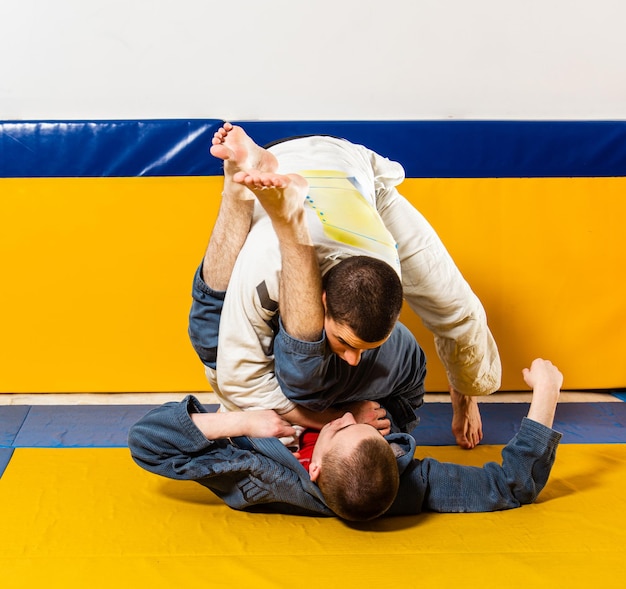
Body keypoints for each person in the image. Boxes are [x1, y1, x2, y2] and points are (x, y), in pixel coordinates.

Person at [190, 123, 500, 449]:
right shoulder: (268, 265)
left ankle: (466, 397)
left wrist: (467, 386)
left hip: (349, 175)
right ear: (323, 301)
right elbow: (237, 381)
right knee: (210, 336)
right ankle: (237, 184)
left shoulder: (386, 261)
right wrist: (340, 416)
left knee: (458, 309)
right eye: (346, 342)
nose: (353, 360)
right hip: (282, 166)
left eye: (365, 349)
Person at [128, 357, 563, 521]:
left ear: (314, 468)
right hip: (370, 382)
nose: (343, 420)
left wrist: (243, 424)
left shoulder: (254, 476)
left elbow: (146, 441)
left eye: (341, 429)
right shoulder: (408, 484)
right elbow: (512, 485)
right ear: (391, 457)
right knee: (409, 354)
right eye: (360, 428)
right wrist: (546, 392)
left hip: (270, 382)